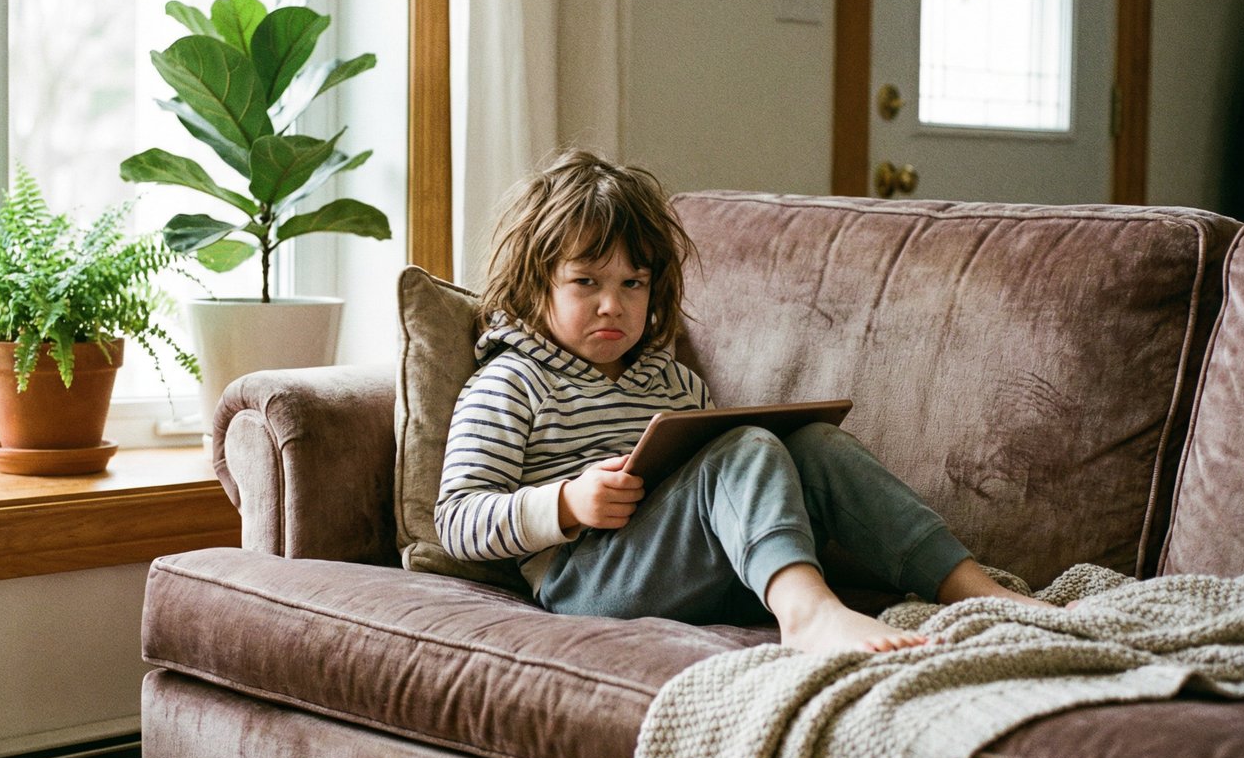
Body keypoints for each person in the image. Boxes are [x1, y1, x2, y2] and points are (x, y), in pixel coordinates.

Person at [435, 149, 1049, 653]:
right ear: (535, 282)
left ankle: (968, 586)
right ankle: (808, 615)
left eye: (632, 284)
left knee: (813, 444)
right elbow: (457, 521)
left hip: (709, 572)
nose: (611, 304)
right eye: (585, 282)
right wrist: (565, 503)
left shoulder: (673, 383)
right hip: (587, 581)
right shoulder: (508, 383)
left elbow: (715, 491)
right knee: (749, 448)